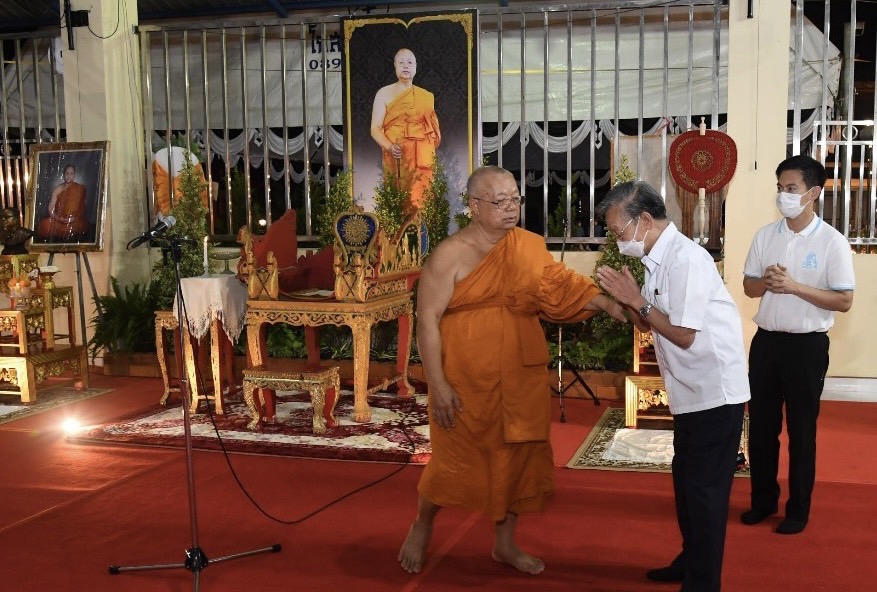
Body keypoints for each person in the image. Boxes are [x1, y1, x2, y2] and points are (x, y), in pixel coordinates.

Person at [398, 166, 627, 576]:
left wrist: (609, 304)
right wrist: (438, 384)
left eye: (515, 199)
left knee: (518, 457)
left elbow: (563, 287)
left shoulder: (528, 247)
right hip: (466, 377)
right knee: (455, 459)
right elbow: (426, 321)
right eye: (499, 201)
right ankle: (422, 523)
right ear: (474, 206)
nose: (511, 207)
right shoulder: (448, 255)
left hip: (521, 371)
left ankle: (505, 545)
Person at [594, 181, 750, 592]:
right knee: (686, 486)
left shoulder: (686, 260)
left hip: (714, 393)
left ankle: (703, 582)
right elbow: (649, 323)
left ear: (644, 220)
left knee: (705, 494)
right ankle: (690, 560)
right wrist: (626, 302)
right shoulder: (655, 258)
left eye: (619, 231)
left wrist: (637, 301)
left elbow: (683, 334)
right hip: (690, 393)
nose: (618, 240)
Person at [740, 155, 855, 535]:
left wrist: (794, 287)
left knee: (802, 432)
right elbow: (749, 287)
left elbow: (844, 300)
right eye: (780, 188)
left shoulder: (832, 241)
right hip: (766, 344)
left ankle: (798, 510)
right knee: (762, 428)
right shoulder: (765, 236)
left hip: (807, 347)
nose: (783, 195)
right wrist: (768, 283)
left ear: (813, 193)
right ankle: (762, 501)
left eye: (791, 188)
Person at [370, 48, 441, 213]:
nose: (406, 66)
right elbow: (375, 128)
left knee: (423, 198)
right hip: (398, 155)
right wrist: (389, 146)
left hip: (422, 156)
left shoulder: (426, 96)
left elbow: (433, 129)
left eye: (410, 62)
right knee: (399, 199)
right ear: (395, 66)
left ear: (415, 67)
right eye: (401, 62)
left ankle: (422, 226)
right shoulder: (384, 93)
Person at [37, 164, 90, 241]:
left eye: (71, 173)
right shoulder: (58, 189)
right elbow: (50, 209)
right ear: (63, 174)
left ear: (74, 175)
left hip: (74, 221)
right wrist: (59, 218)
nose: (69, 176)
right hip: (59, 221)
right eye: (67, 173)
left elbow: (82, 207)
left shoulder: (80, 189)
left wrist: (74, 218)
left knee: (82, 227)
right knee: (44, 225)